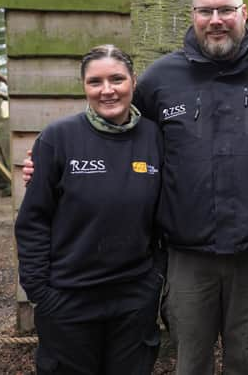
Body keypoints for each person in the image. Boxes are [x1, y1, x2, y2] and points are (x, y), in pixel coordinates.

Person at [133, 0, 248, 374]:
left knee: (244, 358)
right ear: (193, 16)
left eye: (225, 10)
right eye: (206, 11)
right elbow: (129, 143)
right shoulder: (159, 80)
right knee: (191, 361)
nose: (216, 19)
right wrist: (58, 158)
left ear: (243, 14)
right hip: (188, 252)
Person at [15, 45, 164, 375]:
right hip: (68, 299)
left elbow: (163, 214)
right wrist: (41, 292)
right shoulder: (58, 138)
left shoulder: (154, 137)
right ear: (84, 86)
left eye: (117, 79)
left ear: (133, 82)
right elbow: (33, 220)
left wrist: (154, 280)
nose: (107, 90)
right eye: (95, 82)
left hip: (133, 297)